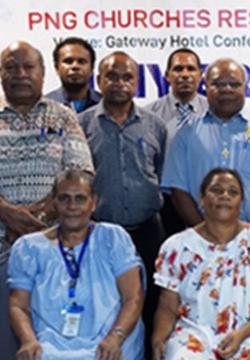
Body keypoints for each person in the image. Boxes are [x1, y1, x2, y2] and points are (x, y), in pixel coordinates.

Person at [0, 41, 94, 357]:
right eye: (11, 67)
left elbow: (81, 174)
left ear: (42, 74)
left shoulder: (64, 117)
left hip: (56, 252)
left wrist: (38, 220)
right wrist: (6, 212)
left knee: (53, 344)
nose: (20, 74)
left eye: (28, 67)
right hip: (1, 250)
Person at [79, 50, 166, 358]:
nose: (119, 83)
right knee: (106, 303)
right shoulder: (81, 125)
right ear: (99, 80)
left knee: (151, 302)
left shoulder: (155, 125)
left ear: (137, 82)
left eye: (127, 77)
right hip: (100, 236)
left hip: (148, 232)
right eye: (111, 76)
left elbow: (162, 172)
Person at [152, 168, 250, 360]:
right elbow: (168, 305)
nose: (224, 196)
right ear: (202, 198)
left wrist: (240, 335)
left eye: (233, 192)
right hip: (197, 332)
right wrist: (158, 339)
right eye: (216, 190)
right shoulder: (177, 246)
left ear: (241, 202)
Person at [8, 169, 145, 359]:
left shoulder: (113, 238)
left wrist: (116, 337)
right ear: (54, 203)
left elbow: (133, 297)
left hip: (108, 344)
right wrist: (28, 340)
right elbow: (18, 305)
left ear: (93, 203)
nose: (72, 206)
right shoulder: (29, 248)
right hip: (50, 348)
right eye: (64, 198)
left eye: (80, 198)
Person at [162, 58, 250, 228]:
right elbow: (178, 189)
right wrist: (205, 234)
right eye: (218, 84)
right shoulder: (186, 133)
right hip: (200, 241)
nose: (226, 89)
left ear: (245, 87)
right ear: (205, 86)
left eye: (234, 84)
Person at [145, 48, 208, 236]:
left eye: (191, 69)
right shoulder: (150, 115)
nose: (185, 75)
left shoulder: (214, 111)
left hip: (204, 198)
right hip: (167, 201)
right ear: (167, 75)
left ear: (201, 74)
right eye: (178, 69)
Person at [46, 37, 102, 113]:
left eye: (81, 62)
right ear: (56, 67)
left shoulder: (105, 105)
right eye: (68, 61)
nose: (75, 66)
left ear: (92, 68)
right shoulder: (43, 107)